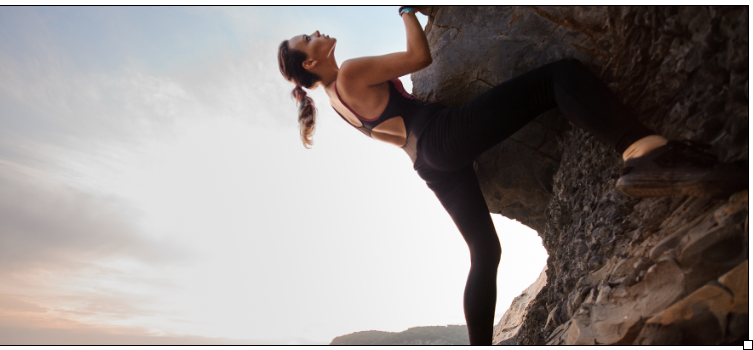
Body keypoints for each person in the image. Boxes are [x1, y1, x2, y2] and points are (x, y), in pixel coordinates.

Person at [277, 7, 747, 345]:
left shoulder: (336, 103)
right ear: (311, 63)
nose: (317, 32)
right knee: (557, 77)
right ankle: (644, 150)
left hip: (427, 163)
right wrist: (406, 10)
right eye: (308, 38)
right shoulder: (351, 73)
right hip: (440, 136)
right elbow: (420, 58)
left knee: (485, 251)